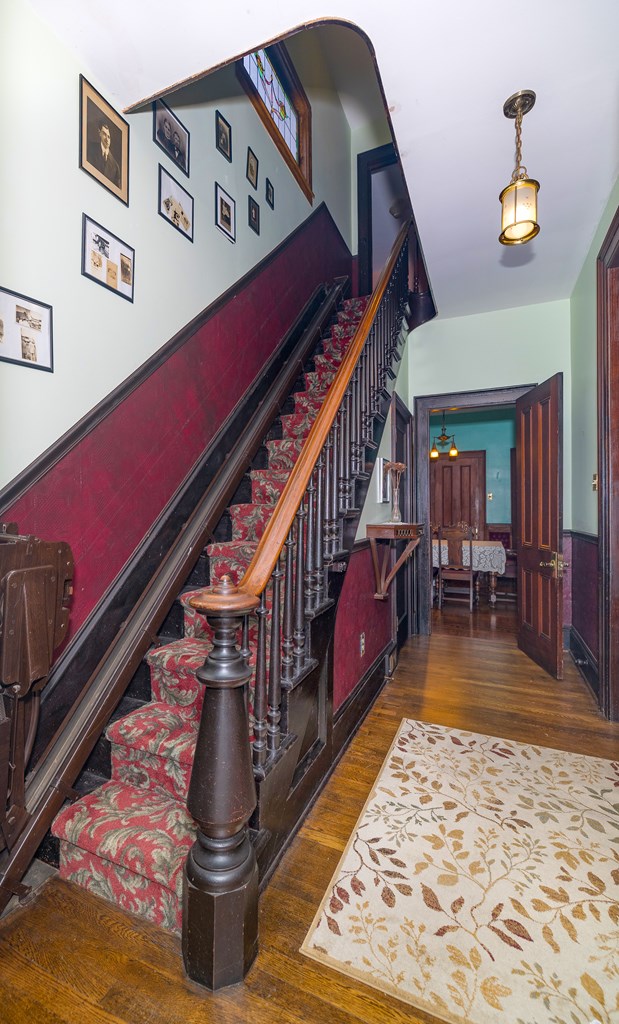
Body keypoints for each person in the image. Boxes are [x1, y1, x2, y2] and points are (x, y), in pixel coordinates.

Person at [88, 120, 121, 187]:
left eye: (109, 136)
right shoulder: (90, 148)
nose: (107, 139)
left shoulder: (115, 166)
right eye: (104, 134)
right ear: (99, 133)